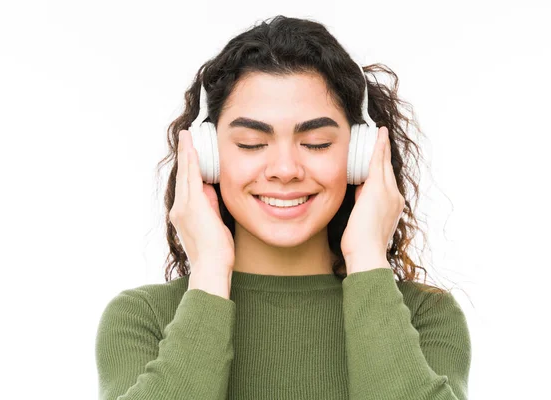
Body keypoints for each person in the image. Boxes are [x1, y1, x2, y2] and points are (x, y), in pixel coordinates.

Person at [95, 15, 471, 400]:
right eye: (251, 144)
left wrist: (367, 257)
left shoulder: (425, 317)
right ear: (206, 155)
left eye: (317, 143)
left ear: (361, 155)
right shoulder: (144, 318)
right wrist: (209, 274)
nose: (286, 170)